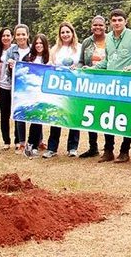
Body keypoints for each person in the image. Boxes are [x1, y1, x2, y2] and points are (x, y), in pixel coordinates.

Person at [94, 8, 131, 163]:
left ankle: (124, 151)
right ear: (110, 22)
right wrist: (92, 68)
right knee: (108, 116)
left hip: (128, 86)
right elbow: (108, 60)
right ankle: (108, 150)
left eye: (120, 20)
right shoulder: (108, 38)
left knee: (126, 117)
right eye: (114, 20)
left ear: (125, 21)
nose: (116, 23)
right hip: (110, 86)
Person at [43, 22, 82, 158]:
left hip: (75, 88)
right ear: (60, 35)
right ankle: (52, 148)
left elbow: (83, 65)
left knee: (73, 116)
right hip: (58, 88)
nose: (65, 35)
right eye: (63, 32)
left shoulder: (79, 48)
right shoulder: (54, 49)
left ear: (72, 33)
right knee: (56, 116)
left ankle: (73, 147)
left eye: (68, 32)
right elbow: (48, 66)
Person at [77, 15, 107, 159]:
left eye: (100, 25)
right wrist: (79, 69)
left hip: (107, 83)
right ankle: (93, 147)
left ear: (105, 26)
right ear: (91, 26)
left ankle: (108, 148)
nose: (98, 27)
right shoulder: (86, 42)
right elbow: (81, 61)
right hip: (90, 84)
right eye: (95, 25)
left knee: (108, 114)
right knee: (91, 114)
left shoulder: (111, 41)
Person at [1, 24, 32, 153]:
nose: (21, 37)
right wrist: (11, 67)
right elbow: (7, 73)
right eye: (18, 34)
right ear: (15, 36)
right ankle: (20, 143)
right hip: (17, 88)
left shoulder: (33, 50)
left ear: (28, 35)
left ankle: (36, 141)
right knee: (19, 115)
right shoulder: (11, 51)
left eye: (23, 34)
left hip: (31, 87)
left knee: (34, 114)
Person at [23, 34, 51, 158]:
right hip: (31, 93)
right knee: (35, 119)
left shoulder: (49, 58)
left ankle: (34, 144)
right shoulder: (28, 58)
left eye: (41, 43)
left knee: (40, 119)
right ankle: (31, 145)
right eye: (36, 43)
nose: (39, 45)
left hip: (45, 93)